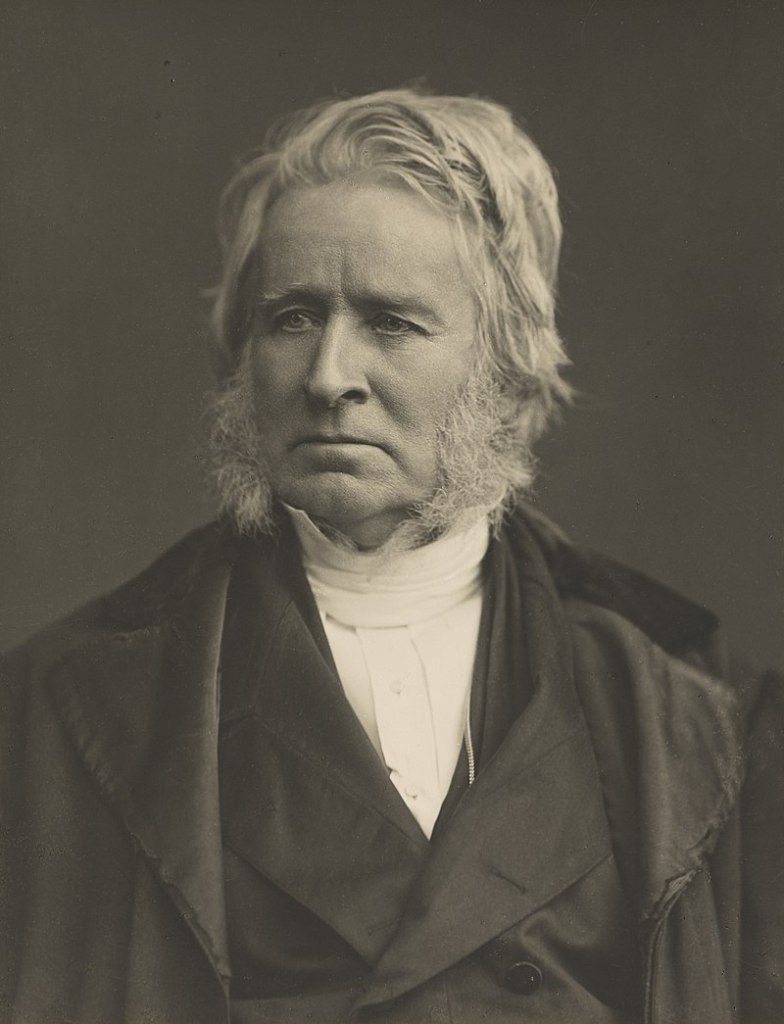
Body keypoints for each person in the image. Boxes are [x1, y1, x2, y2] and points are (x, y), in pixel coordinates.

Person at [1, 87, 782, 1024]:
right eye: (293, 317)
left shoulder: (699, 709)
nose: (329, 377)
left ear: (507, 370)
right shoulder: (58, 707)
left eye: (391, 323)